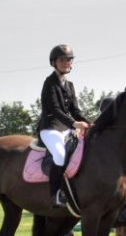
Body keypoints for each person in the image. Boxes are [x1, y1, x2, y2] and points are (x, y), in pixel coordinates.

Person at [36, 44, 90, 209]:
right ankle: (55, 194)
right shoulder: (49, 83)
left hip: (67, 129)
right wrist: (74, 123)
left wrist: (90, 123)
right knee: (59, 155)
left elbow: (75, 110)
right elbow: (56, 110)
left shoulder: (70, 85)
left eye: (69, 59)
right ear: (54, 62)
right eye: (62, 60)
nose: (66, 62)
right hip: (50, 128)